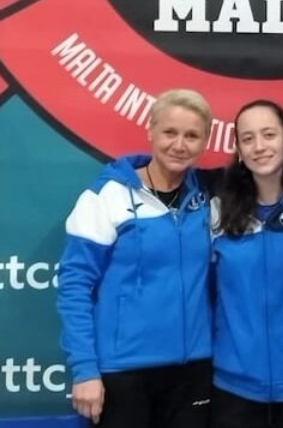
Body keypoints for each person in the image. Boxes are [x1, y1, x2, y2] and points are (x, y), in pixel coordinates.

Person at [57, 89, 217, 428]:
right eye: (170, 132)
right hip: (123, 373)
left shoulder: (208, 196)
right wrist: (85, 370)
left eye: (192, 136)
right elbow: (75, 286)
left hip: (193, 372)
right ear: (151, 131)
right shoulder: (107, 197)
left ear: (205, 141)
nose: (179, 145)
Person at [209, 99, 283, 428]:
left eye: (269, 135)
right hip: (234, 387)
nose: (259, 146)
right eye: (248, 139)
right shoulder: (218, 209)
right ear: (238, 149)